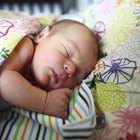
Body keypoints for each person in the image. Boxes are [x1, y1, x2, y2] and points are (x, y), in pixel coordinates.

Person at [0, 19, 98, 118]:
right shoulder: (24, 46)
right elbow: (3, 79)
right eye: (66, 53)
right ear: (41, 36)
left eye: (76, 76)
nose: (71, 70)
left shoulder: (36, 86)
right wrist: (45, 102)